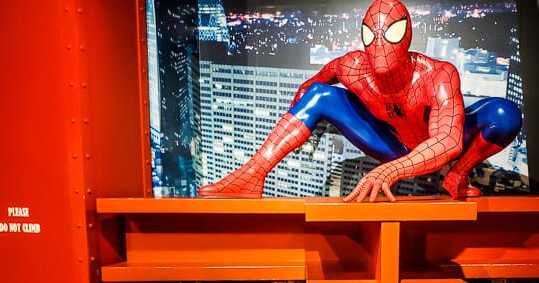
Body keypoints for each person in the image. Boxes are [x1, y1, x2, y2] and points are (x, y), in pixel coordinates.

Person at [198, 0, 522, 203]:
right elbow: (309, 88)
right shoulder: (350, 66)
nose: (380, 44)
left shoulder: (436, 75)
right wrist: (309, 131)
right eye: (373, 35)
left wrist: (391, 172)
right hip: (390, 142)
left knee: (504, 114)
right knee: (320, 96)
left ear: (406, 36)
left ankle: (458, 177)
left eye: (391, 33)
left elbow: (448, 141)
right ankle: (253, 174)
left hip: (430, 145)